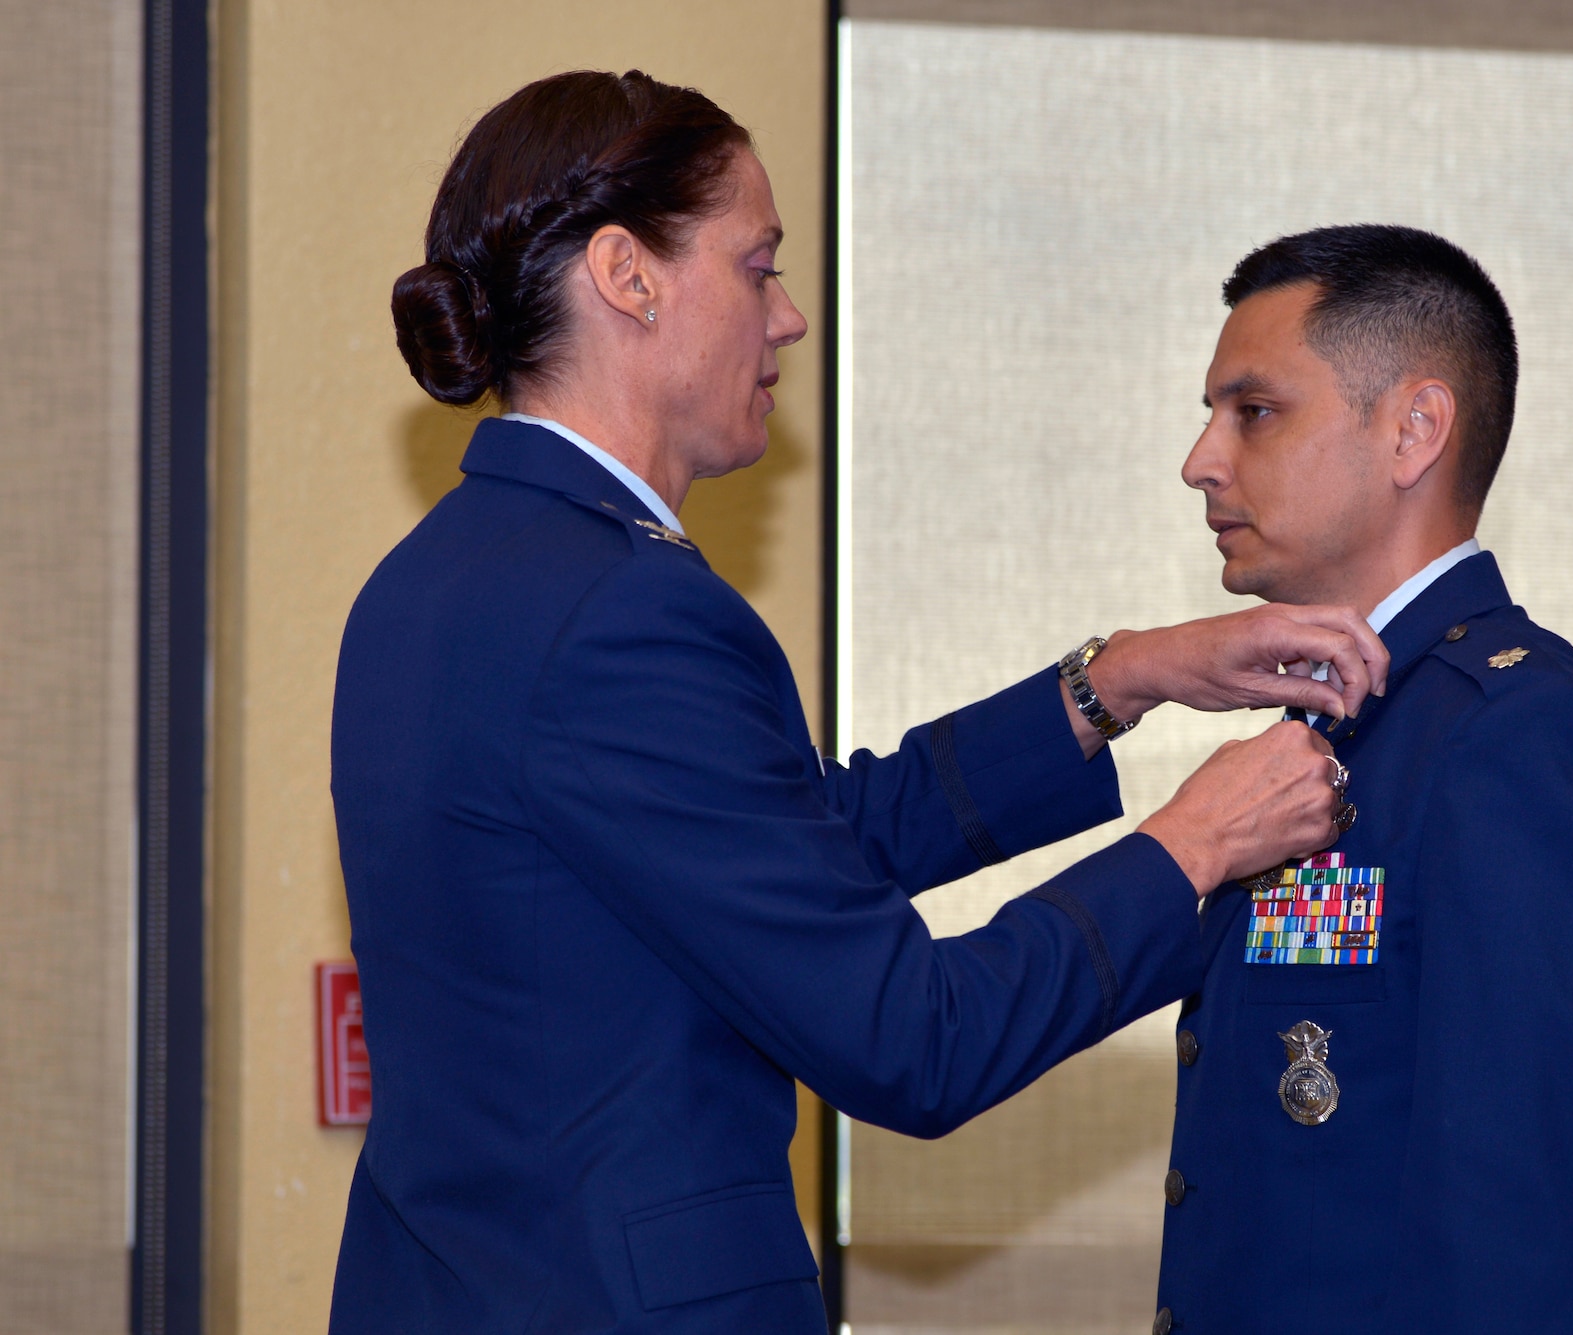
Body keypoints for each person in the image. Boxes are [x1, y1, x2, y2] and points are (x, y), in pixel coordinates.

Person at [330, 72, 1388, 1335]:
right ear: (629, 277)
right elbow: (911, 1041)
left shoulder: (435, 579)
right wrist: (1191, 847)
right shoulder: (620, 607)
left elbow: (786, 852)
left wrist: (1115, 681)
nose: (787, 319)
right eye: (757, 265)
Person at [1153, 226, 1573, 1333]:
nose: (1200, 458)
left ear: (1412, 431)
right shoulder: (1341, 721)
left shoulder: (1515, 736)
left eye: (1252, 411)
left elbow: (1535, 1239)